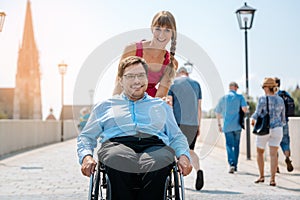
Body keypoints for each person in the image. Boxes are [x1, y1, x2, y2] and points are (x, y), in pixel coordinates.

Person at [77, 56, 192, 200]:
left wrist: (184, 156)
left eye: (141, 75)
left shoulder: (161, 106)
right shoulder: (105, 106)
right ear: (120, 80)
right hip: (117, 144)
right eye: (130, 76)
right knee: (118, 159)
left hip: (154, 145)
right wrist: (86, 157)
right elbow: (86, 136)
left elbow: (176, 136)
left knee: (161, 161)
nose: (136, 81)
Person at [113, 11, 178, 98]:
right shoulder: (132, 49)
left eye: (167, 30)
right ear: (152, 28)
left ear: (172, 33)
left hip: (149, 104)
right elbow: (119, 83)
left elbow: (160, 95)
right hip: (127, 101)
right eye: (158, 29)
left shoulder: (171, 63)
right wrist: (116, 105)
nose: (162, 35)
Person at [167, 66, 204, 190]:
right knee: (190, 150)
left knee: (175, 150)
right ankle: (199, 170)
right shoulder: (196, 84)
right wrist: (199, 125)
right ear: (187, 73)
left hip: (177, 123)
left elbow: (170, 104)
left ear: (178, 73)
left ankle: (176, 178)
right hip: (193, 124)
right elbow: (199, 107)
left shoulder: (173, 83)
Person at [251, 77, 286, 187]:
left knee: (260, 152)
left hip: (264, 129)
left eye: (263, 87)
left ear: (267, 88)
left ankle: (261, 176)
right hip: (278, 129)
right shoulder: (280, 100)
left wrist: (253, 119)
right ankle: (272, 179)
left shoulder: (262, 99)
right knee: (273, 154)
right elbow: (283, 118)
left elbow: (257, 113)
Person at [215, 82, 247, 173]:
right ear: (236, 88)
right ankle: (235, 165)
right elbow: (245, 109)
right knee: (236, 145)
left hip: (227, 126)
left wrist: (219, 125)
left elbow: (217, 112)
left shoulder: (223, 98)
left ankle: (231, 164)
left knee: (229, 145)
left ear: (229, 88)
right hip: (237, 125)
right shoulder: (240, 97)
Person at [275, 77, 294, 172]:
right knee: (285, 141)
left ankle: (276, 166)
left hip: (274, 124)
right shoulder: (284, 94)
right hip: (284, 122)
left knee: (274, 144)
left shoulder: (271, 94)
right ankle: (287, 158)